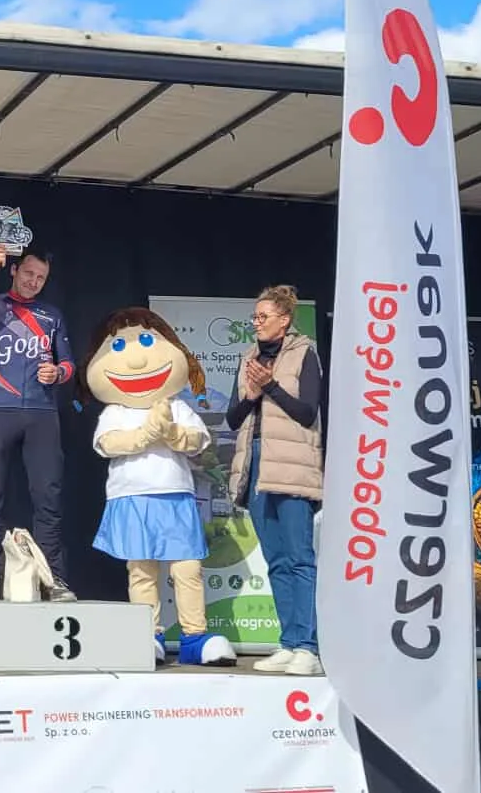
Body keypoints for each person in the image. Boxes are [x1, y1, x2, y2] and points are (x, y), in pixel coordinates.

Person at [81, 307, 237, 666]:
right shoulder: (116, 411)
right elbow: (108, 444)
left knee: (187, 568)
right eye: (119, 347)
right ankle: (148, 635)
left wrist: (171, 433)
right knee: (142, 570)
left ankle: (195, 637)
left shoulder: (176, 406)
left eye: (147, 342)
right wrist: (145, 435)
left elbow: (198, 441)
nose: (137, 360)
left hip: (175, 494)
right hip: (131, 496)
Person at [0, 243, 76, 602]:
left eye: (41, 277)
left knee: (48, 499)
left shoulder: (52, 315)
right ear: (14, 270)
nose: (33, 281)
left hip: (42, 414)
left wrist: (57, 373)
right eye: (28, 273)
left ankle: (53, 578)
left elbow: (69, 364)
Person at [226, 284, 325, 677]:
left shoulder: (304, 353)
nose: (256, 323)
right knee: (276, 560)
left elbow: (307, 411)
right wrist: (252, 394)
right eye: (254, 317)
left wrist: (270, 387)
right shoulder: (248, 357)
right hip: (255, 465)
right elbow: (233, 418)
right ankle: (288, 642)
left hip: (293, 466)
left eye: (263, 316)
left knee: (300, 558)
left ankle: (308, 647)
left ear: (284, 320)